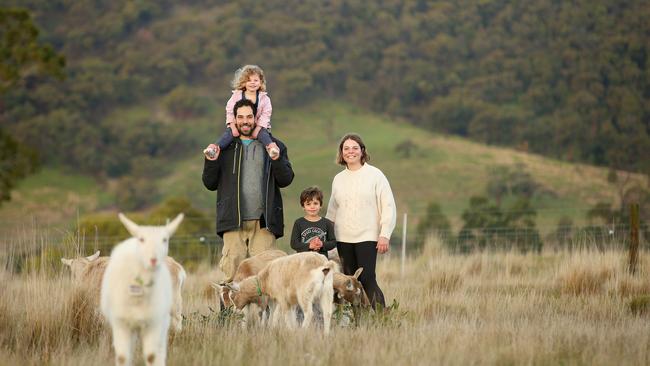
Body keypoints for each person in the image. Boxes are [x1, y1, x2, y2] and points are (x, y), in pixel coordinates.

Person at [202, 98, 294, 281]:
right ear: (234, 119)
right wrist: (211, 162)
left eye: (249, 117)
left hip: (263, 222)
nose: (245, 121)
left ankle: (264, 311)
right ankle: (229, 311)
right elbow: (209, 183)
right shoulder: (224, 148)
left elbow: (286, 179)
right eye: (240, 117)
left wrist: (276, 158)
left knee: (265, 275)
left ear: (256, 118)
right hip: (232, 220)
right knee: (231, 273)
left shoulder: (274, 146)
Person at [325, 133, 396, 309]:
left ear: (362, 151)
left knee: (367, 278)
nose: (351, 152)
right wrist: (325, 236)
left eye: (355, 148)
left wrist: (384, 234)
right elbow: (332, 211)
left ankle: (382, 318)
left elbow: (388, 206)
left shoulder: (375, 175)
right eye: (346, 149)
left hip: (367, 236)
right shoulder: (338, 179)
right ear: (341, 153)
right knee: (350, 282)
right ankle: (359, 321)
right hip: (343, 238)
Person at [208, 64, 279, 160]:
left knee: (264, 135)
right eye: (249, 80)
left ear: (261, 82)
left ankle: (272, 149)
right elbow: (229, 110)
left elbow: (266, 114)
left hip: (258, 126)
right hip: (239, 125)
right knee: (227, 136)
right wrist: (233, 127)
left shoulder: (264, 98)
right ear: (243, 82)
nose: (252, 83)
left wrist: (258, 129)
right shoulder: (237, 95)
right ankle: (214, 149)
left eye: (255, 80)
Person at [290, 186, 337, 258]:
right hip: (303, 260)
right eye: (308, 204)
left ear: (320, 205)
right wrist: (309, 245)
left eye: (315, 203)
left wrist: (322, 244)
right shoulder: (299, 223)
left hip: (321, 261)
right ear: (303, 206)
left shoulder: (326, 223)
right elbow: (294, 244)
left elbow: (333, 242)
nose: (312, 207)